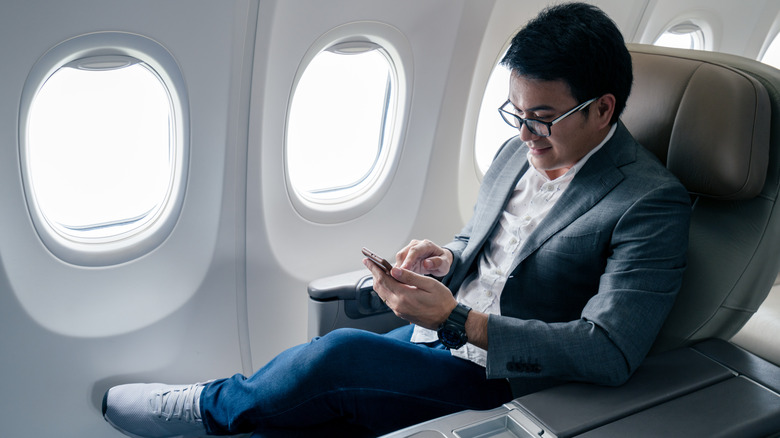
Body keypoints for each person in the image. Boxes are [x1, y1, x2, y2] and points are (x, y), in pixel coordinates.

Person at [102, 3, 691, 437]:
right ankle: (225, 411)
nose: (523, 132)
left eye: (541, 117)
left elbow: (609, 350)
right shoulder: (521, 151)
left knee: (337, 357)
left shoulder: (648, 202)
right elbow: (489, 246)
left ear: (603, 109)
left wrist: (461, 318)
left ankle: (207, 406)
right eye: (515, 111)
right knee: (311, 416)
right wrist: (447, 259)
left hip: (502, 376)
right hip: (440, 339)